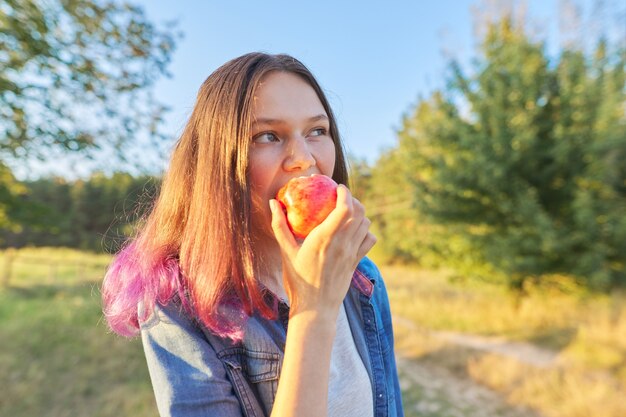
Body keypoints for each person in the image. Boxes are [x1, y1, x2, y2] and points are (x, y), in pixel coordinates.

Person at [102, 52, 404, 417]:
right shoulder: (177, 305)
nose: (304, 158)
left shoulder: (363, 278)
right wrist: (313, 310)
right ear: (218, 164)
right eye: (267, 136)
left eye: (317, 131)